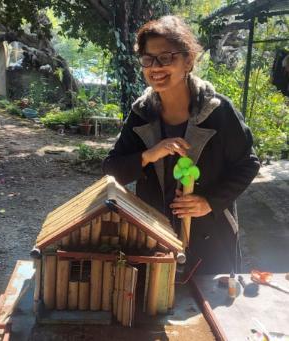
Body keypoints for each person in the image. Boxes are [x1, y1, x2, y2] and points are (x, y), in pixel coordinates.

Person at [103, 15, 260, 274]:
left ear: (188, 61)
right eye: (148, 58)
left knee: (207, 303)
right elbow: (112, 169)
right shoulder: (141, 114)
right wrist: (150, 154)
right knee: (156, 303)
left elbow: (247, 164)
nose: (156, 67)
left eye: (166, 57)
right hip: (155, 234)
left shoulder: (218, 111)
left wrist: (209, 202)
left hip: (211, 237)